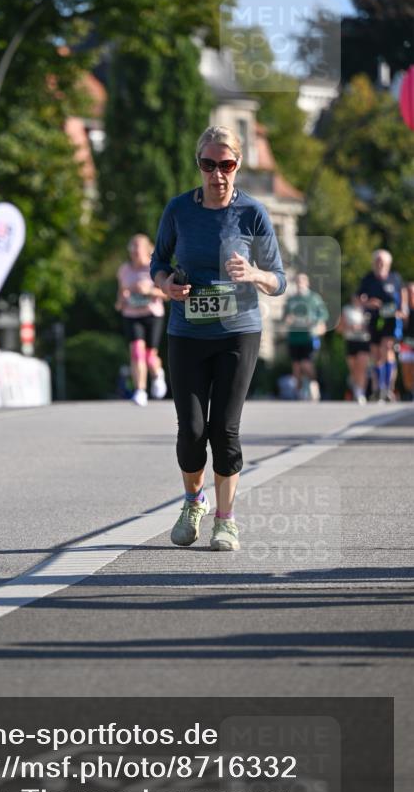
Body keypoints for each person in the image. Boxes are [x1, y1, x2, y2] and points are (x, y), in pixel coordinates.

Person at [151, 125, 286, 552]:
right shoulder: (179, 210)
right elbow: (158, 262)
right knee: (192, 431)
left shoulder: (252, 214)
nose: (217, 174)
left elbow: (278, 279)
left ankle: (226, 521)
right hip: (187, 332)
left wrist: (254, 273)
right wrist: (166, 285)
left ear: (238, 165)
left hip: (238, 333)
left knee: (224, 429)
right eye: (208, 165)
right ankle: (194, 502)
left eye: (225, 165)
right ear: (199, 165)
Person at [116, 233, 168, 406]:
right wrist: (122, 299)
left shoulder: (154, 268)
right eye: (131, 248)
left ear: (146, 250)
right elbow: (120, 295)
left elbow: (167, 294)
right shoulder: (124, 270)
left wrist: (148, 291)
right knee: (137, 351)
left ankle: (158, 374)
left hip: (152, 314)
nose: (134, 252)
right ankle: (140, 390)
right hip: (131, 315)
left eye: (137, 248)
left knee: (150, 355)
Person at [357, 250, 406, 402]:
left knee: (387, 348)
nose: (380, 264)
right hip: (374, 318)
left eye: (382, 261)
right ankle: (378, 387)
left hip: (391, 319)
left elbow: (402, 292)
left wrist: (402, 309)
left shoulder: (394, 278)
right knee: (376, 353)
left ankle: (389, 388)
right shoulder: (368, 279)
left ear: (388, 264)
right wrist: (368, 303)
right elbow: (359, 298)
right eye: (377, 261)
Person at [282, 273, 329, 401]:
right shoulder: (291, 299)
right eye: (297, 281)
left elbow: (323, 314)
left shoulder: (314, 298)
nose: (299, 284)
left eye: (302, 281)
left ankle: (314, 385)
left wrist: (315, 321)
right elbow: (285, 316)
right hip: (294, 336)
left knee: (306, 363)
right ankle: (299, 393)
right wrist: (288, 319)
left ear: (307, 283)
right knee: (296, 366)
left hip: (309, 336)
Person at [338, 299, 371, 404]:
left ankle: (360, 393)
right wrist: (350, 327)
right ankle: (356, 389)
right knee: (353, 369)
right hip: (351, 341)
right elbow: (339, 328)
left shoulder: (368, 310)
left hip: (364, 341)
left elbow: (376, 326)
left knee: (362, 368)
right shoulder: (347, 310)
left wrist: (363, 327)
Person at [398, 282, 414, 401]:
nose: (411, 294)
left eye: (412, 292)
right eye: (408, 292)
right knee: (407, 372)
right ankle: (410, 391)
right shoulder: (402, 310)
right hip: (406, 344)